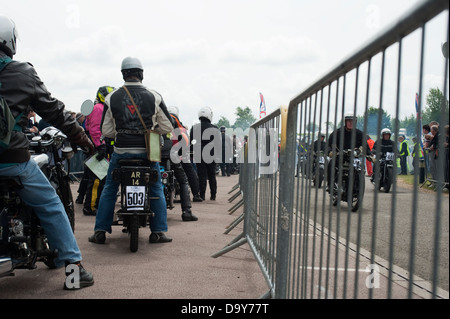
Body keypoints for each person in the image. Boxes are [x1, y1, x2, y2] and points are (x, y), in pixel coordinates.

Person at [0, 15, 95, 289]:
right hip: (12, 160)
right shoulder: (22, 73)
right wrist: (81, 137)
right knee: (51, 205)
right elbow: (54, 110)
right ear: (10, 40)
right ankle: (75, 271)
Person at [88, 56, 174, 245]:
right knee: (156, 187)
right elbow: (168, 127)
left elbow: (106, 131)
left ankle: (100, 231)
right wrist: (152, 130)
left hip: (121, 151)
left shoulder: (112, 97)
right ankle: (158, 231)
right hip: (147, 153)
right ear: (141, 74)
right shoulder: (154, 95)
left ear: (123, 74)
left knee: (110, 188)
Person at [161, 106, 198, 221]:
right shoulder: (177, 124)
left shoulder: (156, 120)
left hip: (156, 155)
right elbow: (185, 142)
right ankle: (186, 211)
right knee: (183, 180)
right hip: (172, 156)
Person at [82, 86, 114, 215]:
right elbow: (95, 129)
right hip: (99, 147)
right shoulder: (99, 108)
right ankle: (90, 207)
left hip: (99, 146)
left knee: (100, 178)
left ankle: (94, 205)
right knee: (97, 179)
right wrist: (100, 145)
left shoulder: (99, 108)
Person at [167, 106, 203, 202]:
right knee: (189, 172)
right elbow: (186, 140)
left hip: (164, 153)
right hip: (180, 153)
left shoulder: (163, 120)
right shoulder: (180, 125)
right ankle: (196, 195)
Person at [327, 112, 370, 189]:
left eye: (353, 121)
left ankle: (358, 186)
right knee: (331, 164)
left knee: (361, 167)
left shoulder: (359, 134)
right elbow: (329, 144)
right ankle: (330, 185)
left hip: (354, 157)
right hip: (340, 156)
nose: (351, 123)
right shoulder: (338, 132)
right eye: (349, 121)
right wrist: (330, 152)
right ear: (345, 122)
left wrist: (369, 154)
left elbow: (365, 145)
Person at [190, 106, 220, 200]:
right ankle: (213, 195)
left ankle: (202, 195)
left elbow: (191, 142)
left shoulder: (194, 128)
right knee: (212, 175)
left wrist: (192, 154)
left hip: (199, 153)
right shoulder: (215, 128)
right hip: (212, 154)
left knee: (201, 175)